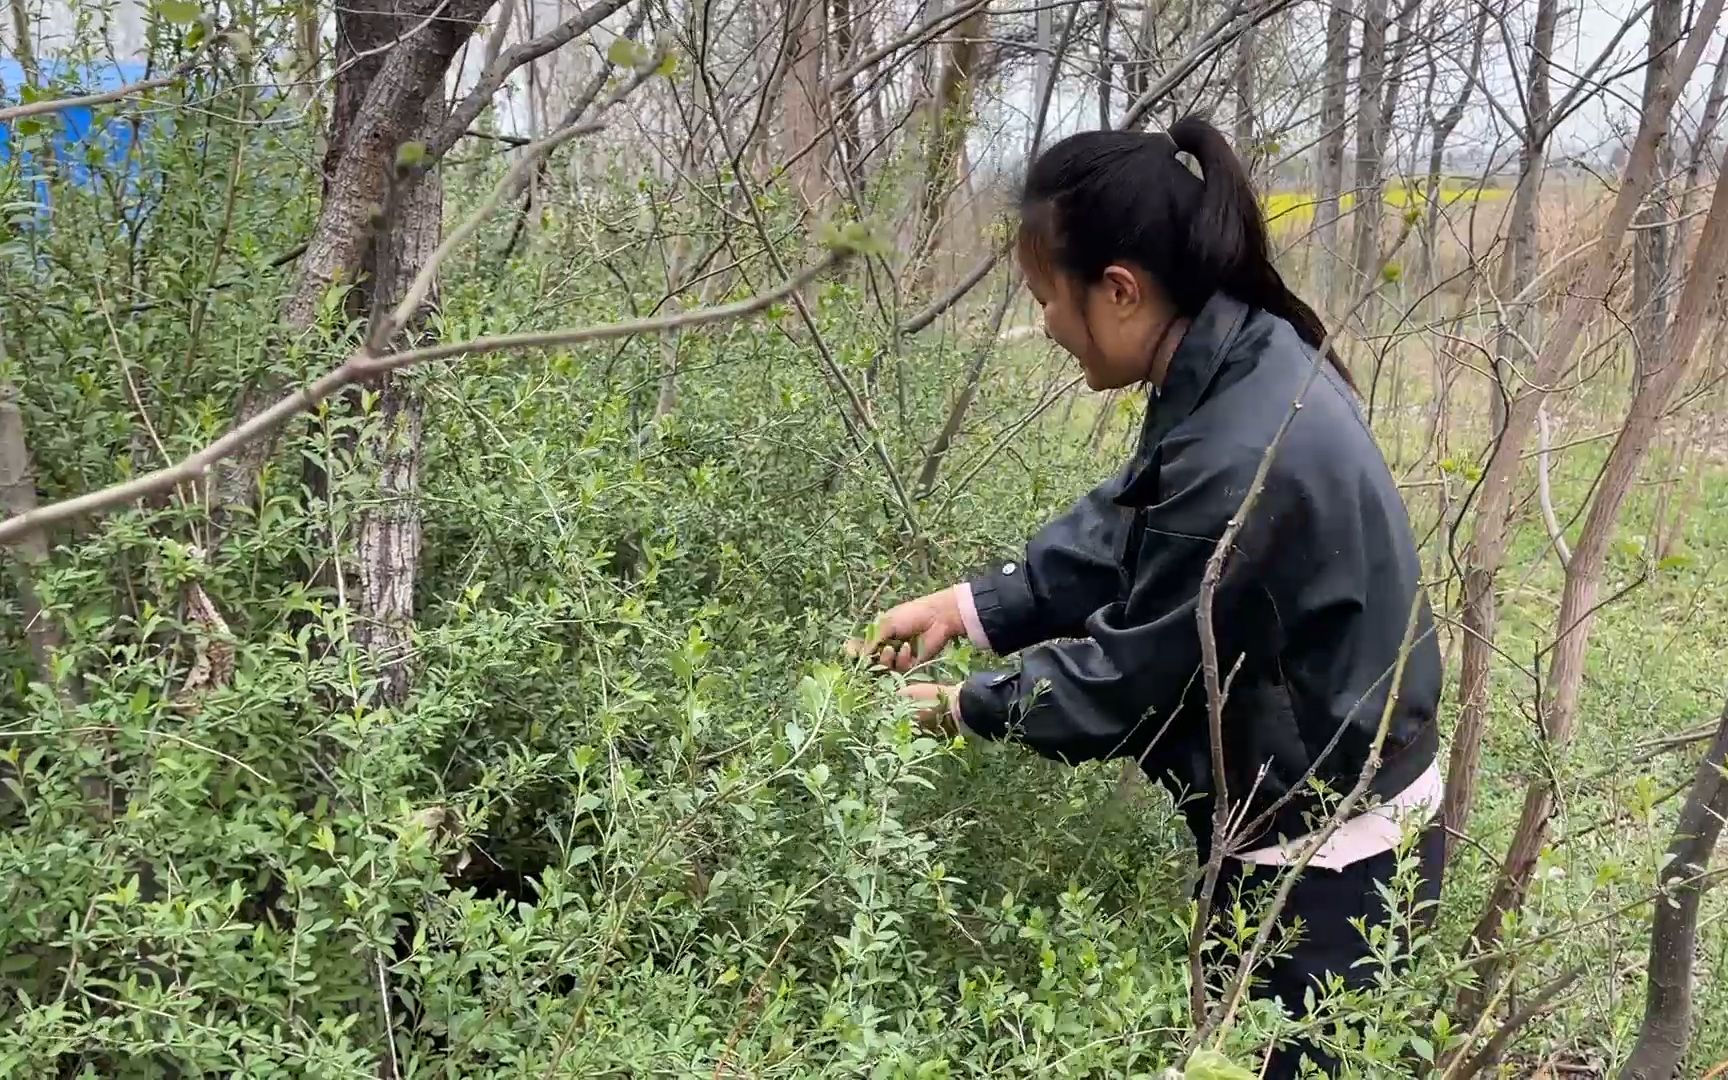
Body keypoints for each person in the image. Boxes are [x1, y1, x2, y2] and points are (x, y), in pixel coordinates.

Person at [853, 118, 1445, 1077]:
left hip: (1330, 847)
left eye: (1048, 297)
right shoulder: (1240, 356)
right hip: (1324, 789)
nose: (1045, 322)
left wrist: (966, 706)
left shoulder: (1240, 442)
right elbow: (1139, 521)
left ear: (1118, 291)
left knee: (1273, 1059)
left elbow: (1132, 677)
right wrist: (973, 607)